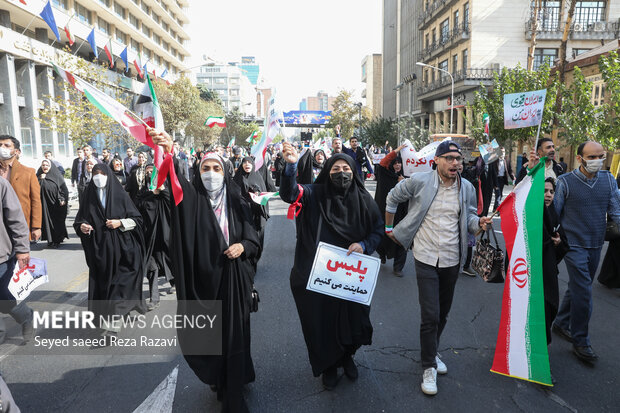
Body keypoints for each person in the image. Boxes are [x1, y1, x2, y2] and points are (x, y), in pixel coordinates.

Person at [151, 128, 260, 413]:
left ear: (226, 172)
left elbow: (253, 237)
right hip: (203, 283)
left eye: (216, 168)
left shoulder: (239, 200)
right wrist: (168, 150)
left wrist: (242, 248)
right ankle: (220, 379)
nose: (211, 173)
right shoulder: (191, 198)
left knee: (235, 336)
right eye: (205, 168)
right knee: (211, 337)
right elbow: (174, 179)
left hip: (234, 280)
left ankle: (234, 392)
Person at [385, 141, 492, 396]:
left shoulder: (465, 187)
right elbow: (392, 197)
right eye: (450, 158)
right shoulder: (420, 181)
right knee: (430, 315)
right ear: (436, 160)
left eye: (459, 159)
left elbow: (468, 218)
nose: (456, 163)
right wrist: (389, 228)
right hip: (425, 257)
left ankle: (432, 350)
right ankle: (428, 366)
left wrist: (480, 223)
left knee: (443, 314)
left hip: (452, 259)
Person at [279, 141, 384, 391]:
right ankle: (329, 365)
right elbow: (290, 194)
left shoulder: (363, 199)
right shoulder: (315, 193)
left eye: (345, 169)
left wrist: (365, 244)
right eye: (335, 170)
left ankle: (347, 357)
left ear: (353, 172)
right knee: (322, 320)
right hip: (320, 274)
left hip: (352, 277)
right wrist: (291, 166)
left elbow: (378, 229)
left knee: (353, 320)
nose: (341, 174)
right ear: (327, 172)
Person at [551, 141, 620, 363]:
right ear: (580, 158)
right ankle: (581, 341)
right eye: (591, 157)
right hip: (573, 245)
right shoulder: (565, 182)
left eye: (601, 156)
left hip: (596, 244)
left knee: (580, 286)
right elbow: (555, 213)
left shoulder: (609, 180)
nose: (597, 160)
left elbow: (615, 211)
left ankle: (561, 322)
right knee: (584, 293)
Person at [73, 163, 146, 337]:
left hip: (124, 251)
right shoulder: (89, 197)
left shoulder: (120, 196)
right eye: (95, 173)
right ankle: (111, 319)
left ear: (108, 175)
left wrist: (119, 222)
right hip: (101, 252)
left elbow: (138, 220)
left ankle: (113, 327)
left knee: (118, 288)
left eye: (101, 173)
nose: (98, 176)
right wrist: (82, 226)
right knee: (104, 288)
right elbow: (79, 220)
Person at [134, 164, 173, 311]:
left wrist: (161, 190)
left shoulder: (164, 193)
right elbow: (135, 209)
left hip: (164, 237)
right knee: (152, 267)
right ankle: (154, 297)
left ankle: (176, 283)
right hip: (147, 238)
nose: (150, 174)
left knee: (170, 263)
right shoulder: (142, 193)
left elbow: (172, 203)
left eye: (153, 172)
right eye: (147, 172)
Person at [0, 177, 33, 345]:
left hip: (1, 255)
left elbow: (16, 218)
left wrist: (22, 249)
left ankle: (26, 315)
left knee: (4, 299)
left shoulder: (1, 184)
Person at [542, 178, 568, 368]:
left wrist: (558, 243)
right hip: (528, 275)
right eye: (544, 191)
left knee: (550, 309)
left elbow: (563, 242)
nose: (549, 195)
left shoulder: (554, 215)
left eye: (551, 191)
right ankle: (539, 357)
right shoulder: (529, 215)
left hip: (548, 273)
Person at [233, 156, 276, 268]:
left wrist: (257, 193)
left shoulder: (258, 178)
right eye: (244, 162)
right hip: (242, 217)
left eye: (249, 162)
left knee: (257, 243)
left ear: (253, 164)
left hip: (256, 217)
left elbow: (264, 199)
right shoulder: (237, 179)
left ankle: (255, 261)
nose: (247, 164)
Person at [0, 136, 42, 242]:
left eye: (6, 145)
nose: (2, 148)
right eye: (0, 145)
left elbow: (36, 201)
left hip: (19, 226)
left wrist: (36, 226)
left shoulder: (28, 172)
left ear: (16, 151)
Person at [374, 144, 408, 276]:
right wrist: (397, 150)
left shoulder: (407, 178)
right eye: (395, 163)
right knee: (382, 238)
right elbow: (383, 163)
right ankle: (382, 253)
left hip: (402, 214)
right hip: (385, 213)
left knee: (402, 239)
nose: (398, 165)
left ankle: (398, 268)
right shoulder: (385, 174)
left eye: (400, 163)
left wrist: (403, 183)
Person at [37, 159, 69, 248]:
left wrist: (63, 198)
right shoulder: (38, 176)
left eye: (47, 165)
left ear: (50, 166)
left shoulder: (57, 176)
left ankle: (57, 240)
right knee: (46, 222)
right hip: (44, 204)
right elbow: (34, 188)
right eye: (43, 165)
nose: (45, 167)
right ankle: (50, 240)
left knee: (56, 222)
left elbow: (63, 189)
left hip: (55, 204)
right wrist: (40, 179)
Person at [597, 173, 620, 288]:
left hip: (616, 230)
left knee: (613, 254)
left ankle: (607, 278)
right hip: (617, 228)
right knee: (615, 255)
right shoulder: (617, 193)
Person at [492, 147, 515, 212]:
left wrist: (513, 178)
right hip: (496, 179)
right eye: (501, 152)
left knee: (500, 195)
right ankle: (498, 209)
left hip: (502, 179)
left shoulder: (506, 160)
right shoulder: (495, 160)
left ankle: (495, 208)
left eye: (504, 152)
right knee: (498, 194)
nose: (502, 153)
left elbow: (510, 170)